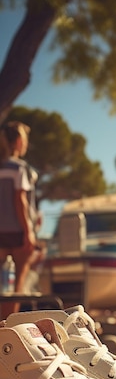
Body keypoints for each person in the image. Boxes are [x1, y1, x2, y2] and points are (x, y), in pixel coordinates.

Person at [0, 121, 40, 318]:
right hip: (17, 232)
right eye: (24, 140)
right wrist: (29, 231)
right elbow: (20, 200)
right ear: (17, 141)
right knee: (18, 285)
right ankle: (6, 328)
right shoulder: (19, 168)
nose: (25, 145)